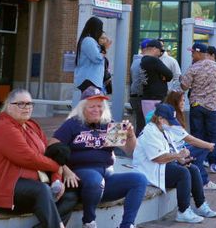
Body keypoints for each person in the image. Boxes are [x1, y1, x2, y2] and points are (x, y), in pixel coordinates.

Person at [0, 89, 78, 228]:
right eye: (21, 104)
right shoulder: (4, 128)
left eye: (29, 104)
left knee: (71, 195)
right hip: (1, 189)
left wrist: (58, 177)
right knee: (42, 190)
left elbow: (47, 153)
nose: (27, 108)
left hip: (31, 187)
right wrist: (56, 167)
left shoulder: (32, 125)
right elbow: (28, 158)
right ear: (9, 106)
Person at [50, 86, 146, 228]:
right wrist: (66, 170)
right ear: (82, 108)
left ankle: (127, 224)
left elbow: (130, 151)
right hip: (81, 176)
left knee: (139, 180)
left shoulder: (108, 124)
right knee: (95, 180)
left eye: (100, 106)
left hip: (105, 179)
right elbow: (51, 148)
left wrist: (131, 135)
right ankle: (89, 222)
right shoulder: (73, 124)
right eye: (92, 106)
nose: (97, 109)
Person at [134, 103, 216, 224]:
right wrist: (178, 155)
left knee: (193, 169)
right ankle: (183, 211)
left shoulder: (163, 130)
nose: (171, 124)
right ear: (160, 119)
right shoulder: (150, 132)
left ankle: (201, 205)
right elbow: (158, 158)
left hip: (160, 166)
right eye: (169, 121)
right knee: (182, 173)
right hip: (149, 171)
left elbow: (168, 152)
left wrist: (181, 160)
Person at [162, 91, 216, 190]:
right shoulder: (171, 118)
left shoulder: (172, 114)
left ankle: (200, 181)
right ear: (175, 102)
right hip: (174, 151)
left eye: (184, 100)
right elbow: (190, 139)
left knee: (198, 154)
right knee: (202, 149)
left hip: (177, 147)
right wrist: (208, 145)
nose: (183, 103)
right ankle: (202, 182)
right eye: (182, 100)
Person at [180, 42, 216, 173]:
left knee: (198, 134)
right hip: (212, 106)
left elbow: (184, 86)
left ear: (199, 53)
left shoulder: (193, 67)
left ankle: (199, 160)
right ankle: (214, 162)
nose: (192, 55)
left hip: (197, 105)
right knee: (213, 135)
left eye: (193, 52)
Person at [130, 39, 174, 134]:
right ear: (154, 49)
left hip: (146, 97)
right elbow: (169, 75)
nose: (160, 54)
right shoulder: (154, 60)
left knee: (146, 126)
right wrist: (163, 77)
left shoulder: (142, 60)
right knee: (156, 126)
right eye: (160, 51)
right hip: (156, 98)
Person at [73, 17, 107, 101]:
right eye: (100, 28)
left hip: (90, 80)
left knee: (90, 106)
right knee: (91, 106)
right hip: (90, 79)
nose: (100, 31)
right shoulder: (89, 40)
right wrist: (104, 50)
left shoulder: (88, 40)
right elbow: (96, 58)